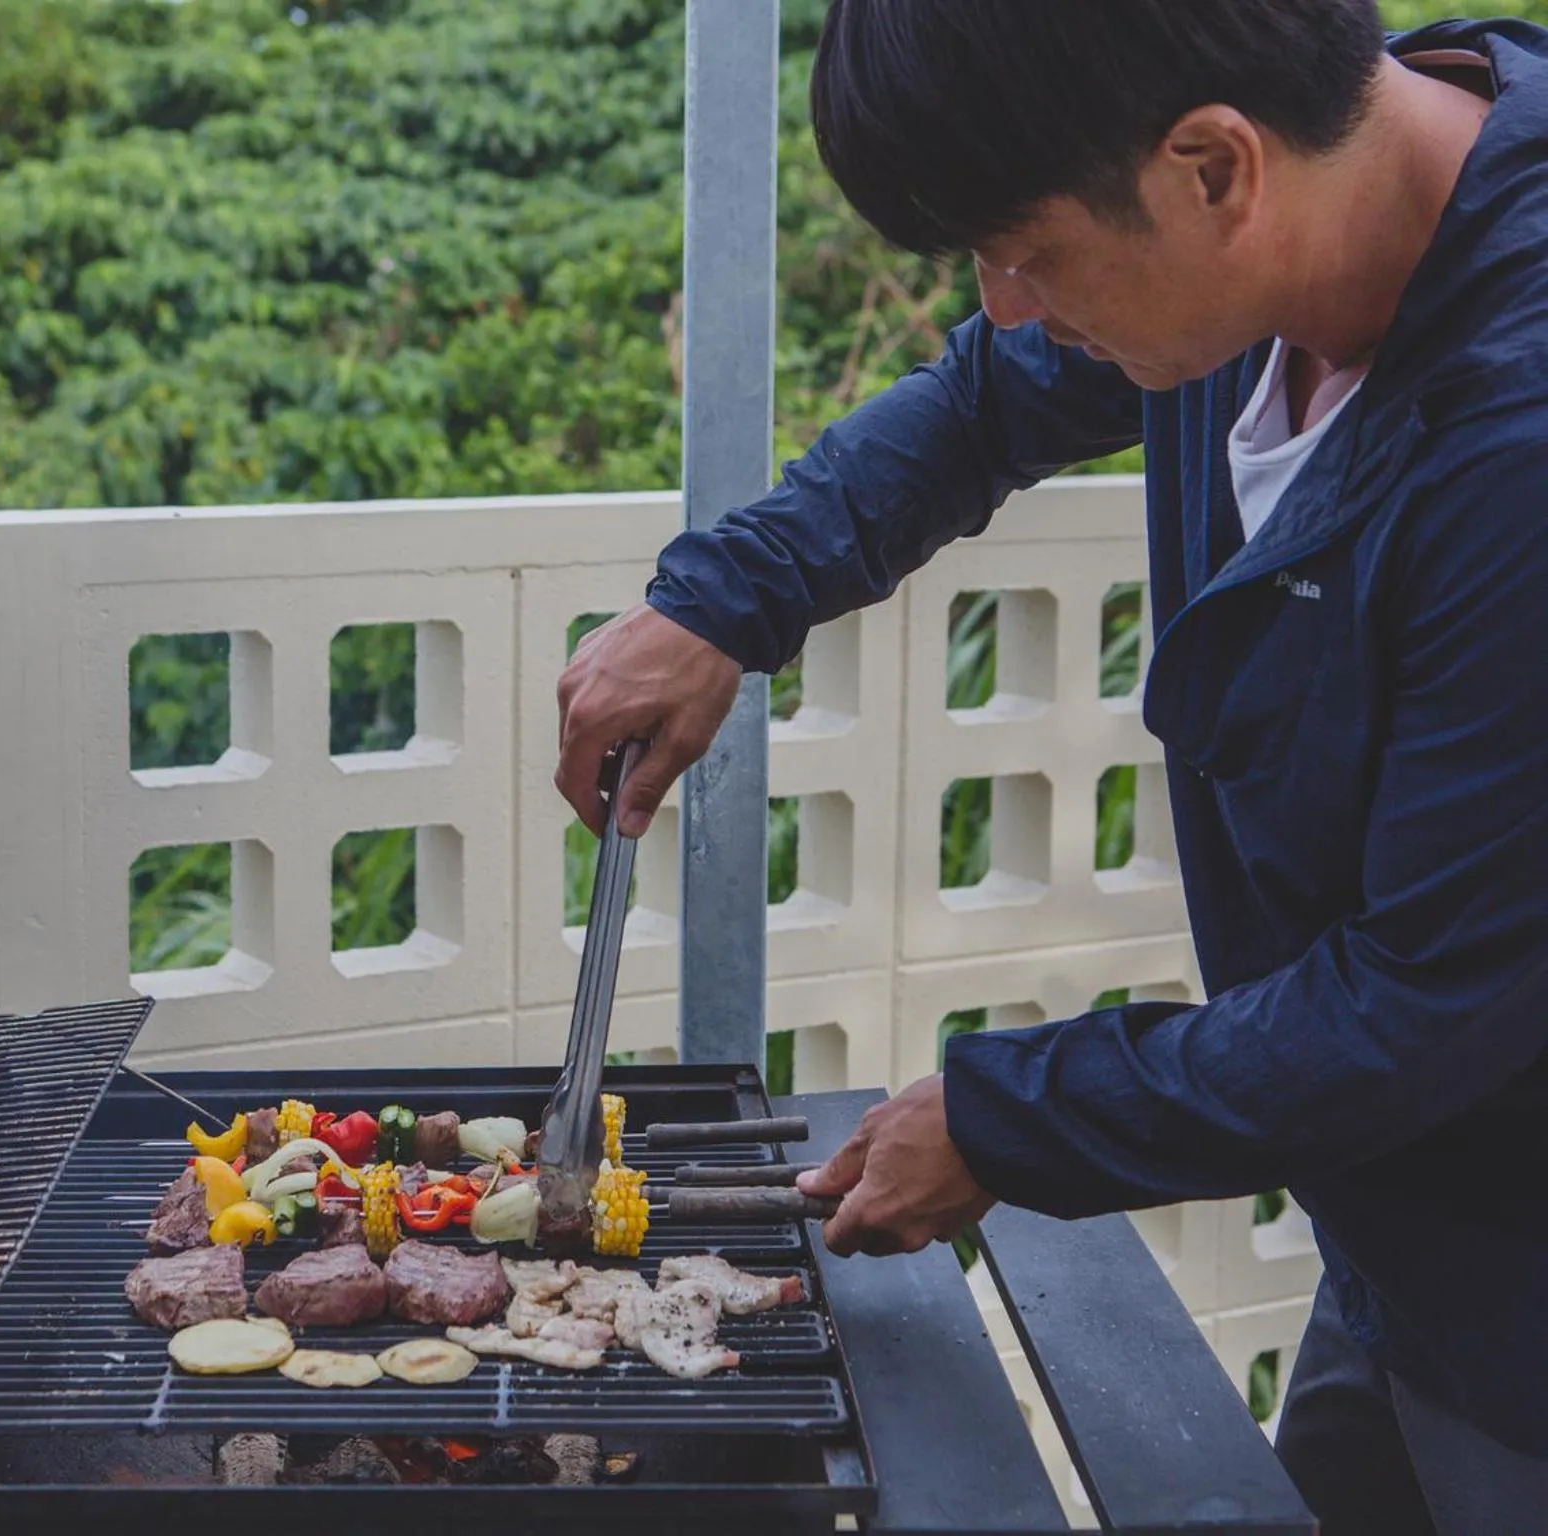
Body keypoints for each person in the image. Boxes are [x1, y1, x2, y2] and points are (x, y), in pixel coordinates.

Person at [554, 3, 1548, 1530]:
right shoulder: (1307, 192)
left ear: (1215, 169)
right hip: (1408, 1217)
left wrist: (1012, 1114)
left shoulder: (1517, 441)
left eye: (1025, 251)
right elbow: (986, 403)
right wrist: (722, 599)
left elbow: (1423, 1002)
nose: (1004, 307)